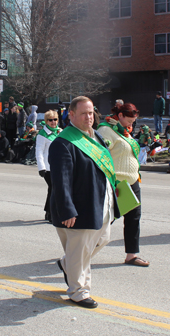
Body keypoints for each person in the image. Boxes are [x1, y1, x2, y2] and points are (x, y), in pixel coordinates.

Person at [49, 96, 120, 309]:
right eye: (83, 113)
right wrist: (67, 209)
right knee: (80, 250)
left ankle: (67, 263)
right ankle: (78, 291)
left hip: (101, 202)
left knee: (102, 239)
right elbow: (60, 182)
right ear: (71, 115)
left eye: (91, 113)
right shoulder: (63, 143)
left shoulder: (95, 136)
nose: (89, 117)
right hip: (80, 207)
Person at [98, 103, 149, 267]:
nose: (131, 125)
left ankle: (131, 255)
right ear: (120, 116)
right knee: (105, 221)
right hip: (117, 183)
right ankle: (79, 251)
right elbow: (99, 157)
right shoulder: (106, 130)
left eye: (133, 122)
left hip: (132, 181)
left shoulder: (124, 131)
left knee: (134, 218)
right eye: (129, 121)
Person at [36, 110, 61, 223]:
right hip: (48, 167)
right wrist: (41, 168)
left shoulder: (60, 132)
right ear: (46, 121)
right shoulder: (42, 134)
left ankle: (49, 212)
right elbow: (39, 151)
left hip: (59, 166)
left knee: (53, 189)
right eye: (50, 120)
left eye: (55, 119)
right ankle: (51, 213)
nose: (53, 122)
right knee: (53, 189)